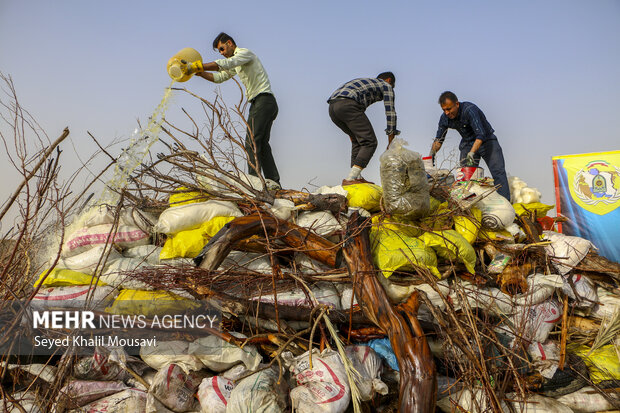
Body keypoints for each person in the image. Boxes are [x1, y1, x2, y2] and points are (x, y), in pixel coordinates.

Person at [185, 32, 281, 190]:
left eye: (222, 49)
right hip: (263, 103)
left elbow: (225, 64)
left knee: (251, 142)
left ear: (229, 43)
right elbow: (220, 77)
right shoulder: (236, 63)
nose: (222, 53)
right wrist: (199, 73)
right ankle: (274, 182)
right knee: (262, 144)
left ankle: (255, 183)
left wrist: (198, 65)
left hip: (263, 100)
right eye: (219, 51)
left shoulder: (244, 54)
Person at [430, 91, 510, 201]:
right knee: (464, 178)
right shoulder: (445, 117)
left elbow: (480, 134)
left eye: (449, 109)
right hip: (467, 142)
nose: (447, 113)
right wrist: (432, 154)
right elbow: (439, 139)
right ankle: (466, 205)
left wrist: (472, 153)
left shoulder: (470, 110)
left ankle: (505, 204)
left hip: (486, 141)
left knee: (498, 173)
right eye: (444, 110)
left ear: (457, 104)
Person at [327, 72, 399, 186]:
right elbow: (390, 113)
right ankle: (350, 179)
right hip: (348, 104)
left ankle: (356, 177)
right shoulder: (386, 86)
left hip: (332, 108)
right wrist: (391, 141)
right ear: (389, 80)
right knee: (370, 142)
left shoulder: (367, 83)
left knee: (357, 141)